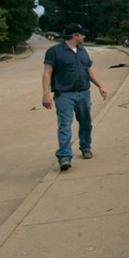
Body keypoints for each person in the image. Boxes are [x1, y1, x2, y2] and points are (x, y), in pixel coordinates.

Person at [42, 23, 108, 171]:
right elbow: (47, 72)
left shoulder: (83, 51)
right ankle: (64, 157)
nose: (84, 36)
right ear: (74, 35)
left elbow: (89, 70)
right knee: (65, 126)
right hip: (64, 95)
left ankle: (85, 147)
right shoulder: (55, 51)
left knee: (86, 123)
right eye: (82, 34)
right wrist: (46, 93)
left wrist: (100, 86)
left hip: (83, 93)